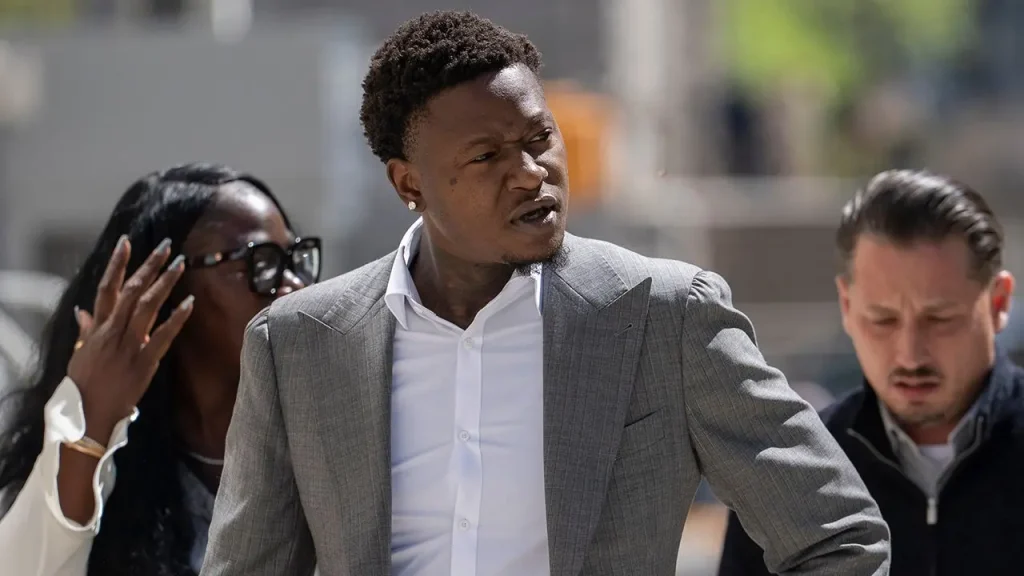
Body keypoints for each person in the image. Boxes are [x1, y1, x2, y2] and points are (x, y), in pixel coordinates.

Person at [201, 11, 890, 576]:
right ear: (409, 183)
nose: (532, 174)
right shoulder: (298, 346)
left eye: (540, 138)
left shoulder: (666, 317)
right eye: (487, 156)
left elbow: (838, 537)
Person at [0, 163, 321, 576]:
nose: (296, 286)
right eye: (261, 261)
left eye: (296, 258)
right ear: (161, 291)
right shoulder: (108, 476)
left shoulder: (333, 441)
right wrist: (89, 421)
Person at [718, 169, 1024, 576]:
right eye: (883, 320)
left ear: (998, 303)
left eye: (939, 319)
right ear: (847, 306)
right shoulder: (787, 476)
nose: (910, 355)